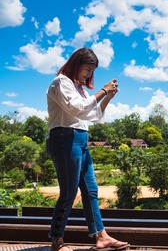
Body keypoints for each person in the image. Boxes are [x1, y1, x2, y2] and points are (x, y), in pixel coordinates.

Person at [46, 47, 129, 251]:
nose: (88, 74)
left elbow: (93, 116)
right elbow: (78, 109)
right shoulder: (61, 82)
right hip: (64, 137)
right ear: (75, 64)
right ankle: (56, 242)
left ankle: (101, 236)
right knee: (68, 192)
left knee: (91, 190)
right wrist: (102, 90)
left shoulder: (79, 88)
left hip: (80, 139)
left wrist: (107, 97)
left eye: (91, 71)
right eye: (86, 69)